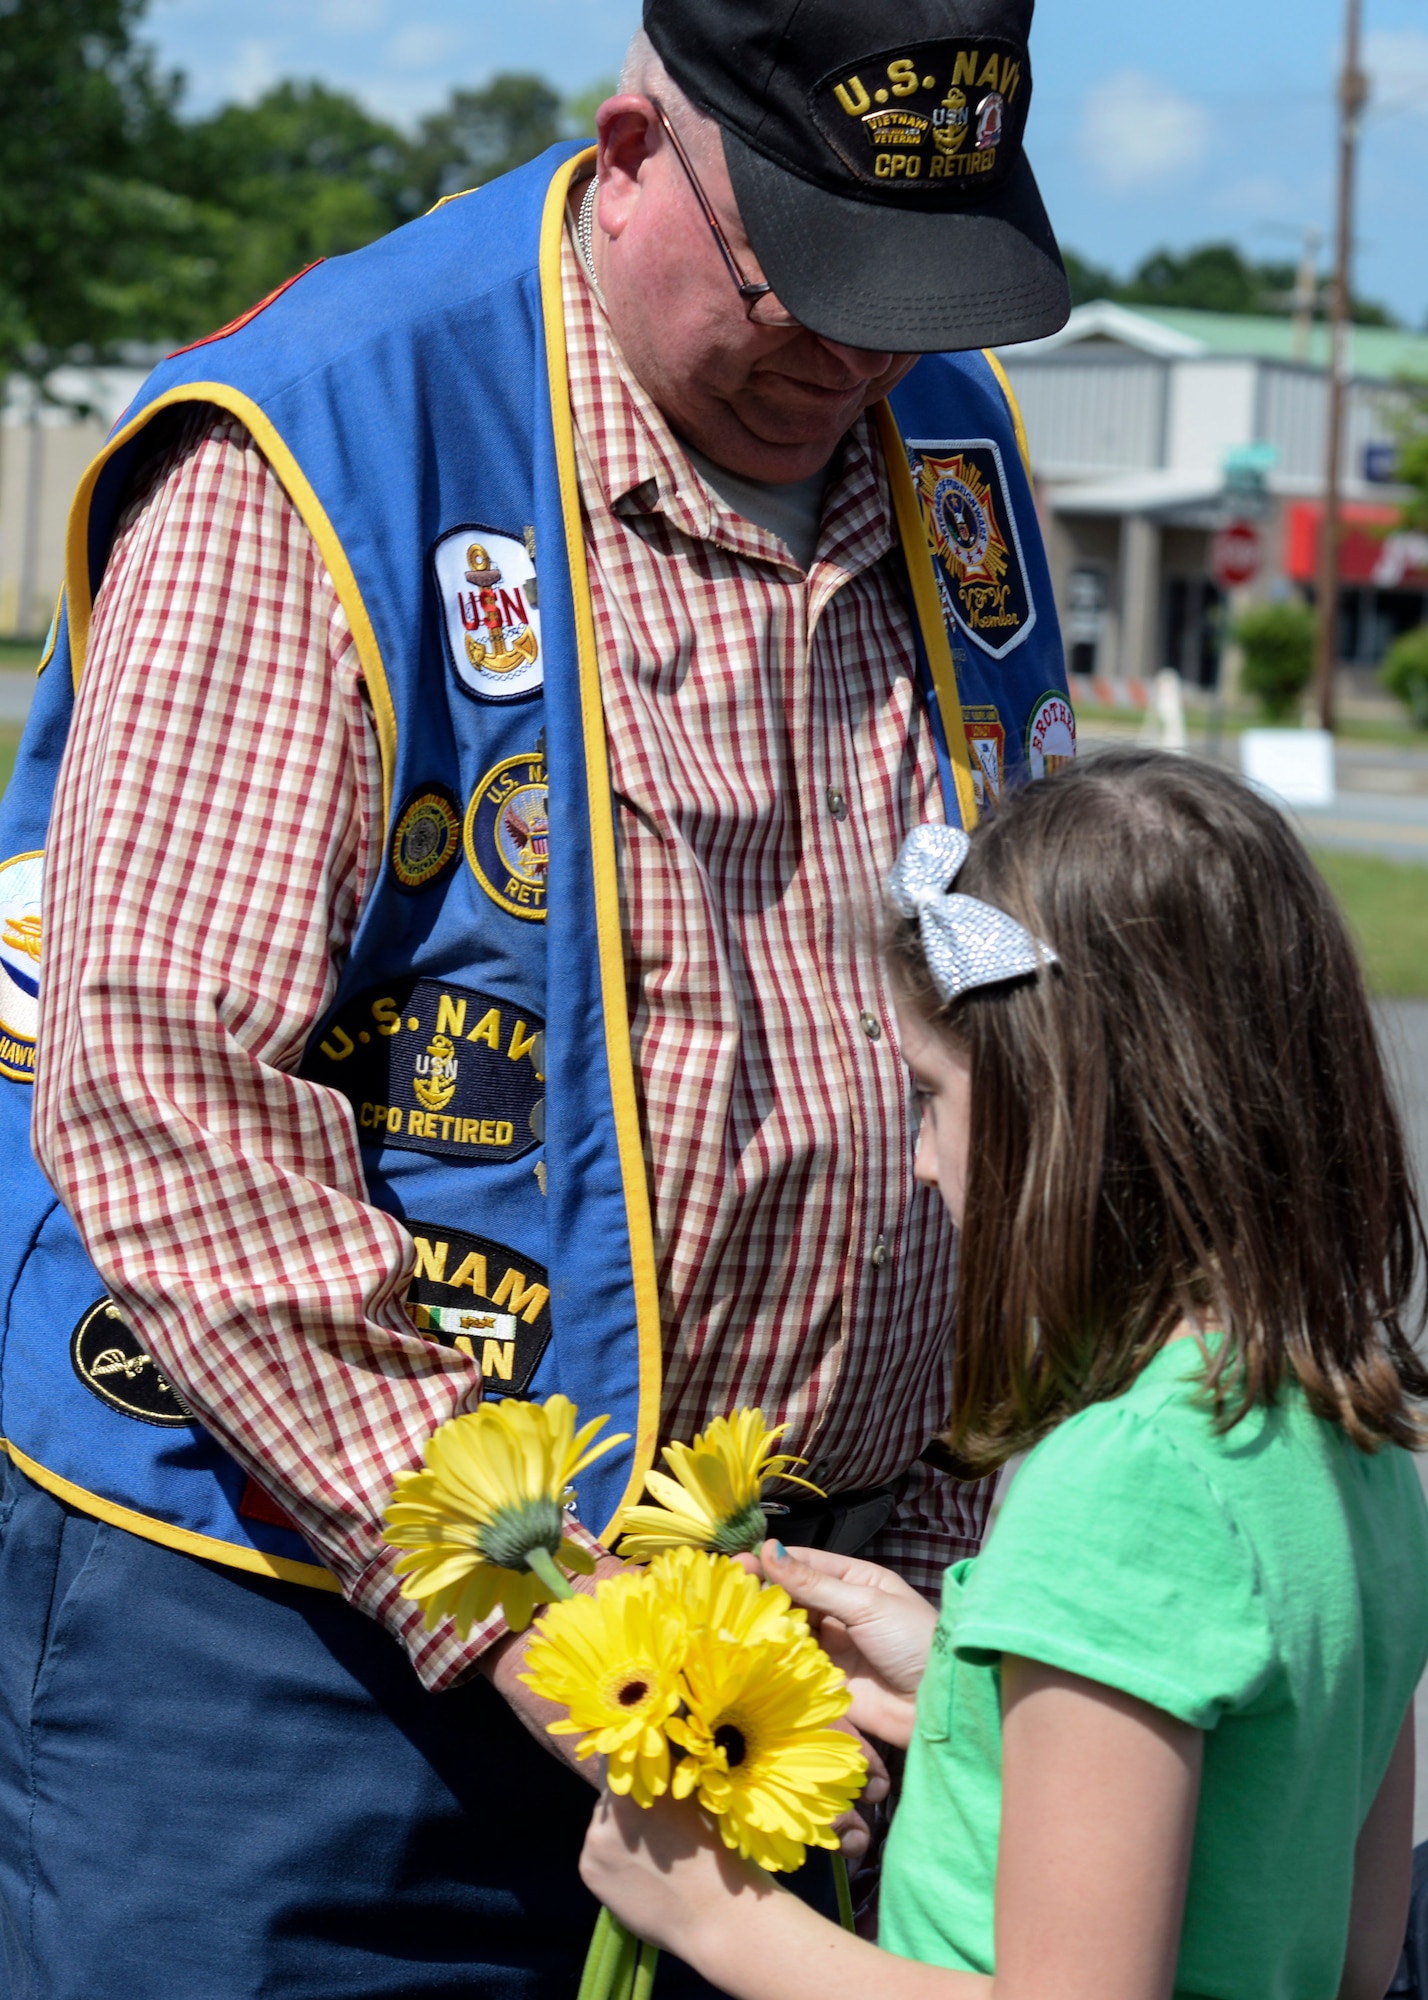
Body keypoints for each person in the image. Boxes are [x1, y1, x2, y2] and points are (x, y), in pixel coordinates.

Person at [0, 0, 1073, 1993]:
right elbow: (159, 1084)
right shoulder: (330, 433)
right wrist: (533, 1602)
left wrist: (950, 1519)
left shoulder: (934, 438)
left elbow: (1004, 977)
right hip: (287, 1661)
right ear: (638, 148)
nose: (859, 353)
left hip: (770, 1654)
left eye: (915, 292)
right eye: (810, 277)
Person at [580, 748, 1428, 2000]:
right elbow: (1347, 1948)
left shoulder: (1122, 1483)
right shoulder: (1351, 1447)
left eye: (932, 1096)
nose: (922, 1163)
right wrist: (970, 1694)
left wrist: (720, 1919)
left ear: (1064, 1108)